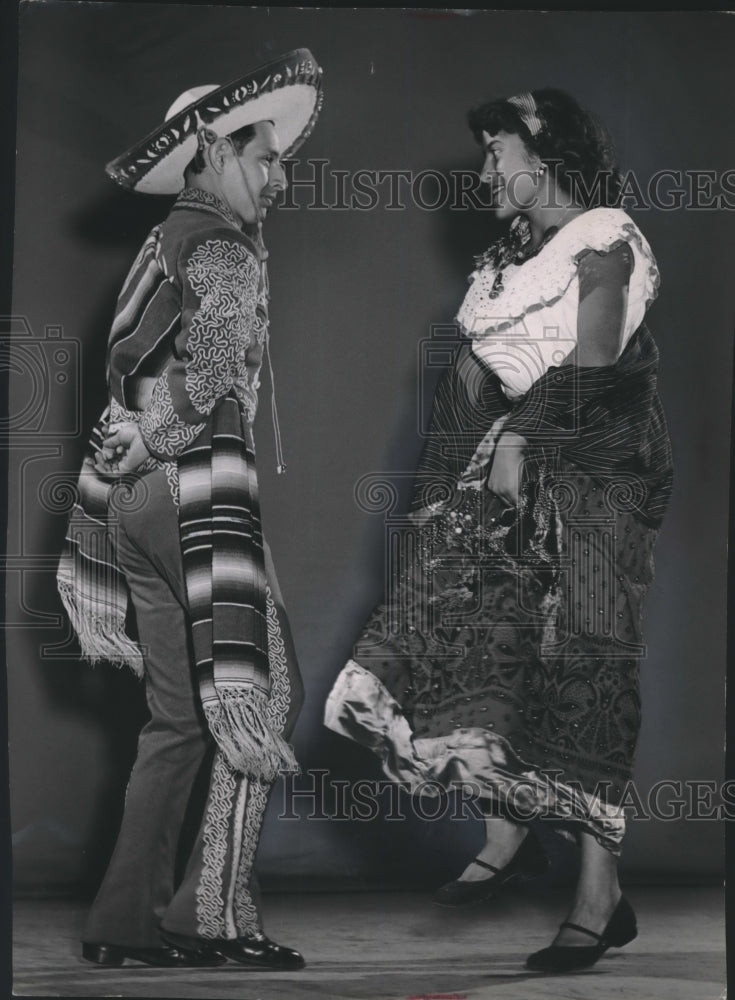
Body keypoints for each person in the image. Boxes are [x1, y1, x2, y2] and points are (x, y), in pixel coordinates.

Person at [325, 88, 673, 972]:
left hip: (597, 466)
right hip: (517, 469)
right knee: (500, 647)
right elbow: (470, 386)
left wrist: (518, 436)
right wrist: (444, 491)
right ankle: (510, 830)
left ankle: (597, 895)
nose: (485, 170)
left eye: (495, 152)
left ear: (543, 152)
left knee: (593, 661)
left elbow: (595, 355)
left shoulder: (604, 235)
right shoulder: (505, 266)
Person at [57, 49, 323, 969]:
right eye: (262, 156)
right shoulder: (219, 243)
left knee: (177, 719)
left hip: (129, 504)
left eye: (282, 159)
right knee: (262, 696)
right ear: (211, 147)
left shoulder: (161, 239)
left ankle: (122, 921)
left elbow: (139, 364)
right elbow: (209, 365)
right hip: (185, 488)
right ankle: (212, 915)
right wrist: (161, 434)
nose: (277, 176)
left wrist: (134, 439)